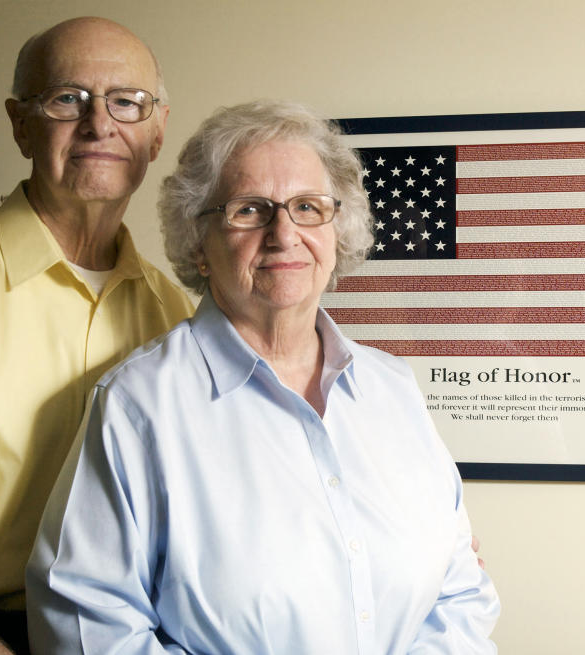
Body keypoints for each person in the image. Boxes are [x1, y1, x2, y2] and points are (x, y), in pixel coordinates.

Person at [26, 99, 500, 654]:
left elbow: (460, 590)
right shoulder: (138, 406)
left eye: (308, 207)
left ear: (337, 231)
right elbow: (88, 631)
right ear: (199, 243)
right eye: (250, 210)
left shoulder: (392, 388)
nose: (284, 233)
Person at [0, 17, 193, 654]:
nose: (100, 124)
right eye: (67, 98)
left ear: (158, 130)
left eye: (127, 102)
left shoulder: (179, 317)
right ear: (19, 124)